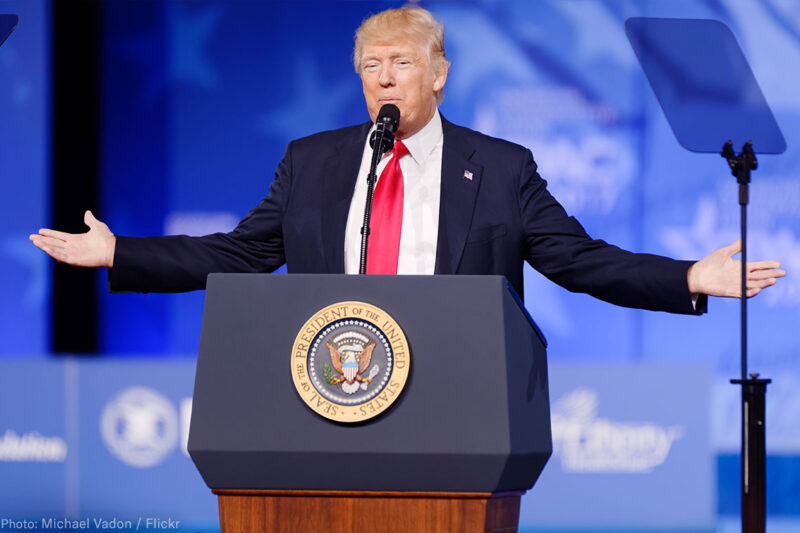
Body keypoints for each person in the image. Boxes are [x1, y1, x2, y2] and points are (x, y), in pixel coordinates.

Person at [30, 7, 783, 312]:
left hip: (462, 409)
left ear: (439, 72)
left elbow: (579, 260)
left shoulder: (500, 167)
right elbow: (239, 253)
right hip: (328, 389)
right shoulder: (314, 161)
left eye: (399, 62)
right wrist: (119, 253)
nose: (383, 77)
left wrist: (688, 275)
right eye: (369, 65)